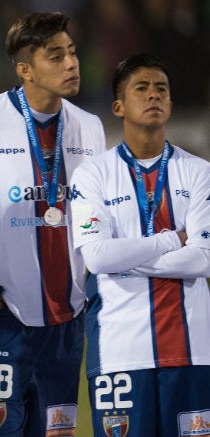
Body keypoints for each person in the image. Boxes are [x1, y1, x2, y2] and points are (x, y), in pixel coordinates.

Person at [0, 12, 106, 437]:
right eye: (56, 56)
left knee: (57, 432)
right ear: (25, 70)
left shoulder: (90, 128)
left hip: (68, 316)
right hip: (2, 312)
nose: (71, 63)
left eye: (71, 52)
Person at [70, 53, 210, 437]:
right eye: (142, 88)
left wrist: (126, 258)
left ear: (170, 103)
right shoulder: (93, 174)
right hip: (118, 352)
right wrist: (168, 240)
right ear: (118, 106)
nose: (153, 95)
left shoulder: (199, 173)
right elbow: (97, 257)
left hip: (192, 350)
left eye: (161, 89)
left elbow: (202, 258)